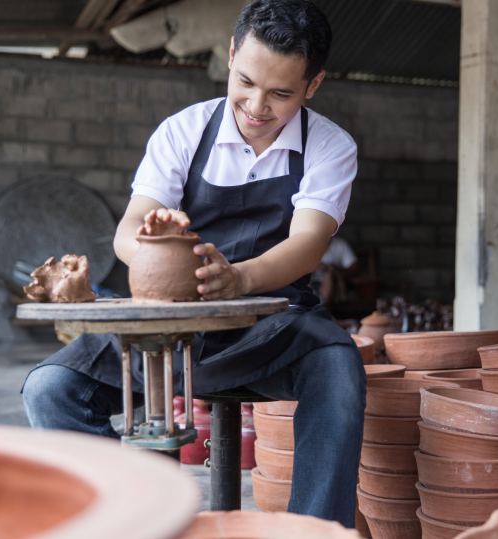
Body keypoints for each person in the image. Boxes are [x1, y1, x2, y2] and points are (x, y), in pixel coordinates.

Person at [22, 0, 365, 527]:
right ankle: (127, 520)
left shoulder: (329, 146)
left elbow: (309, 243)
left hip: (269, 328)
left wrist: (240, 278)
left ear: (313, 85)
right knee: (50, 390)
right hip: (168, 333)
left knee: (338, 371)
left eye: (281, 94)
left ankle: (314, 532)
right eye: (246, 81)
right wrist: (156, 253)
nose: (256, 106)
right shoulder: (183, 132)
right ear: (230, 55)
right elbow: (126, 234)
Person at [311, 236, 360, 312]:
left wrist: (336, 269)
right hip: (310, 283)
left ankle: (322, 308)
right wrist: (313, 267)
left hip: (333, 286)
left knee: (329, 274)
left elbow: (354, 268)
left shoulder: (339, 244)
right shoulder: (308, 244)